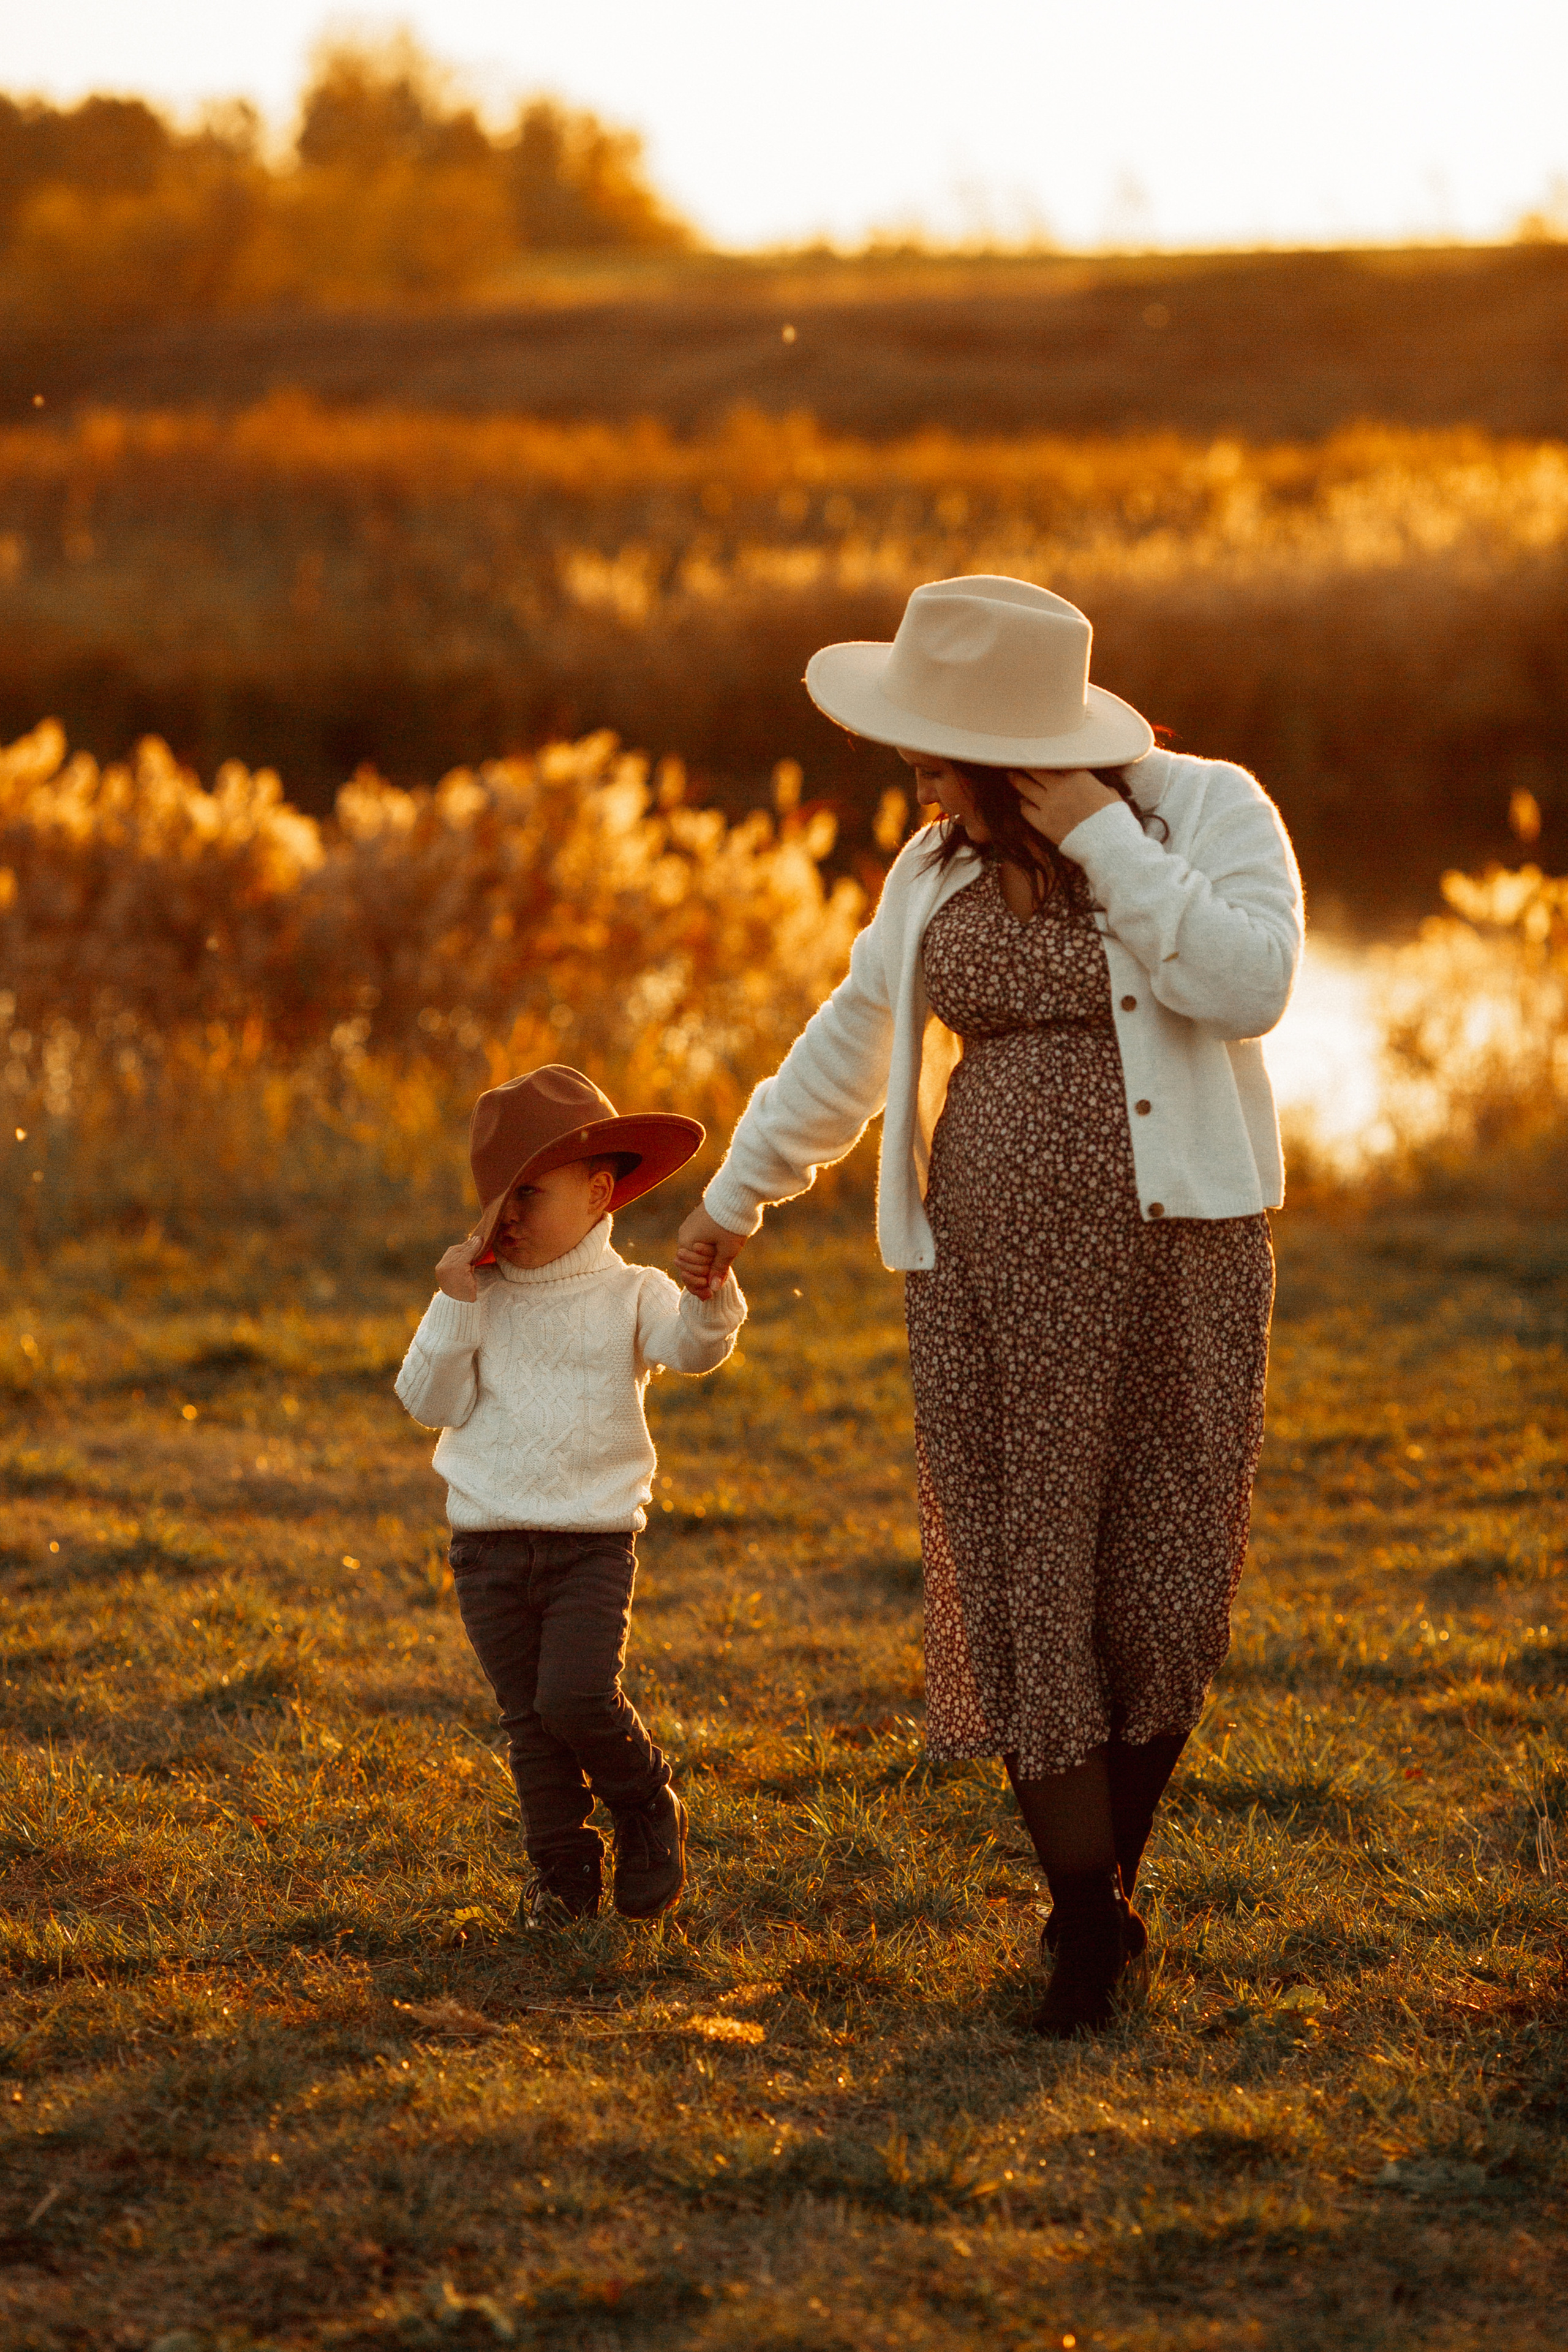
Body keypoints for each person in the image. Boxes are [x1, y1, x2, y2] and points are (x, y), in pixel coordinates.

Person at [677, 575, 1302, 2035]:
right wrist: (733, 1196)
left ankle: (1104, 1887)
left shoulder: (1203, 812)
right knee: (1029, 1581)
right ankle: (1083, 1922)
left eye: (932, 763)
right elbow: (851, 1037)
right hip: (990, 1280)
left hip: (1179, 1266)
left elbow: (1249, 984)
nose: (916, 790)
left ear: (1014, 754)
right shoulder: (930, 868)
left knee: (1163, 1583)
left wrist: (1095, 834)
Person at [398, 1063, 745, 1929]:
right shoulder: (479, 1295)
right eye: (500, 1200)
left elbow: (693, 1349)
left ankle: (646, 1801)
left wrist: (709, 1298)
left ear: (598, 1194)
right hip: (486, 1549)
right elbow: (429, 1403)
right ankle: (562, 1877)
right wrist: (454, 1306)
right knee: (530, 1723)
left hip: (591, 1544)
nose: (510, 1217)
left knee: (576, 1699)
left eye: (531, 1194)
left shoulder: (632, 1293)